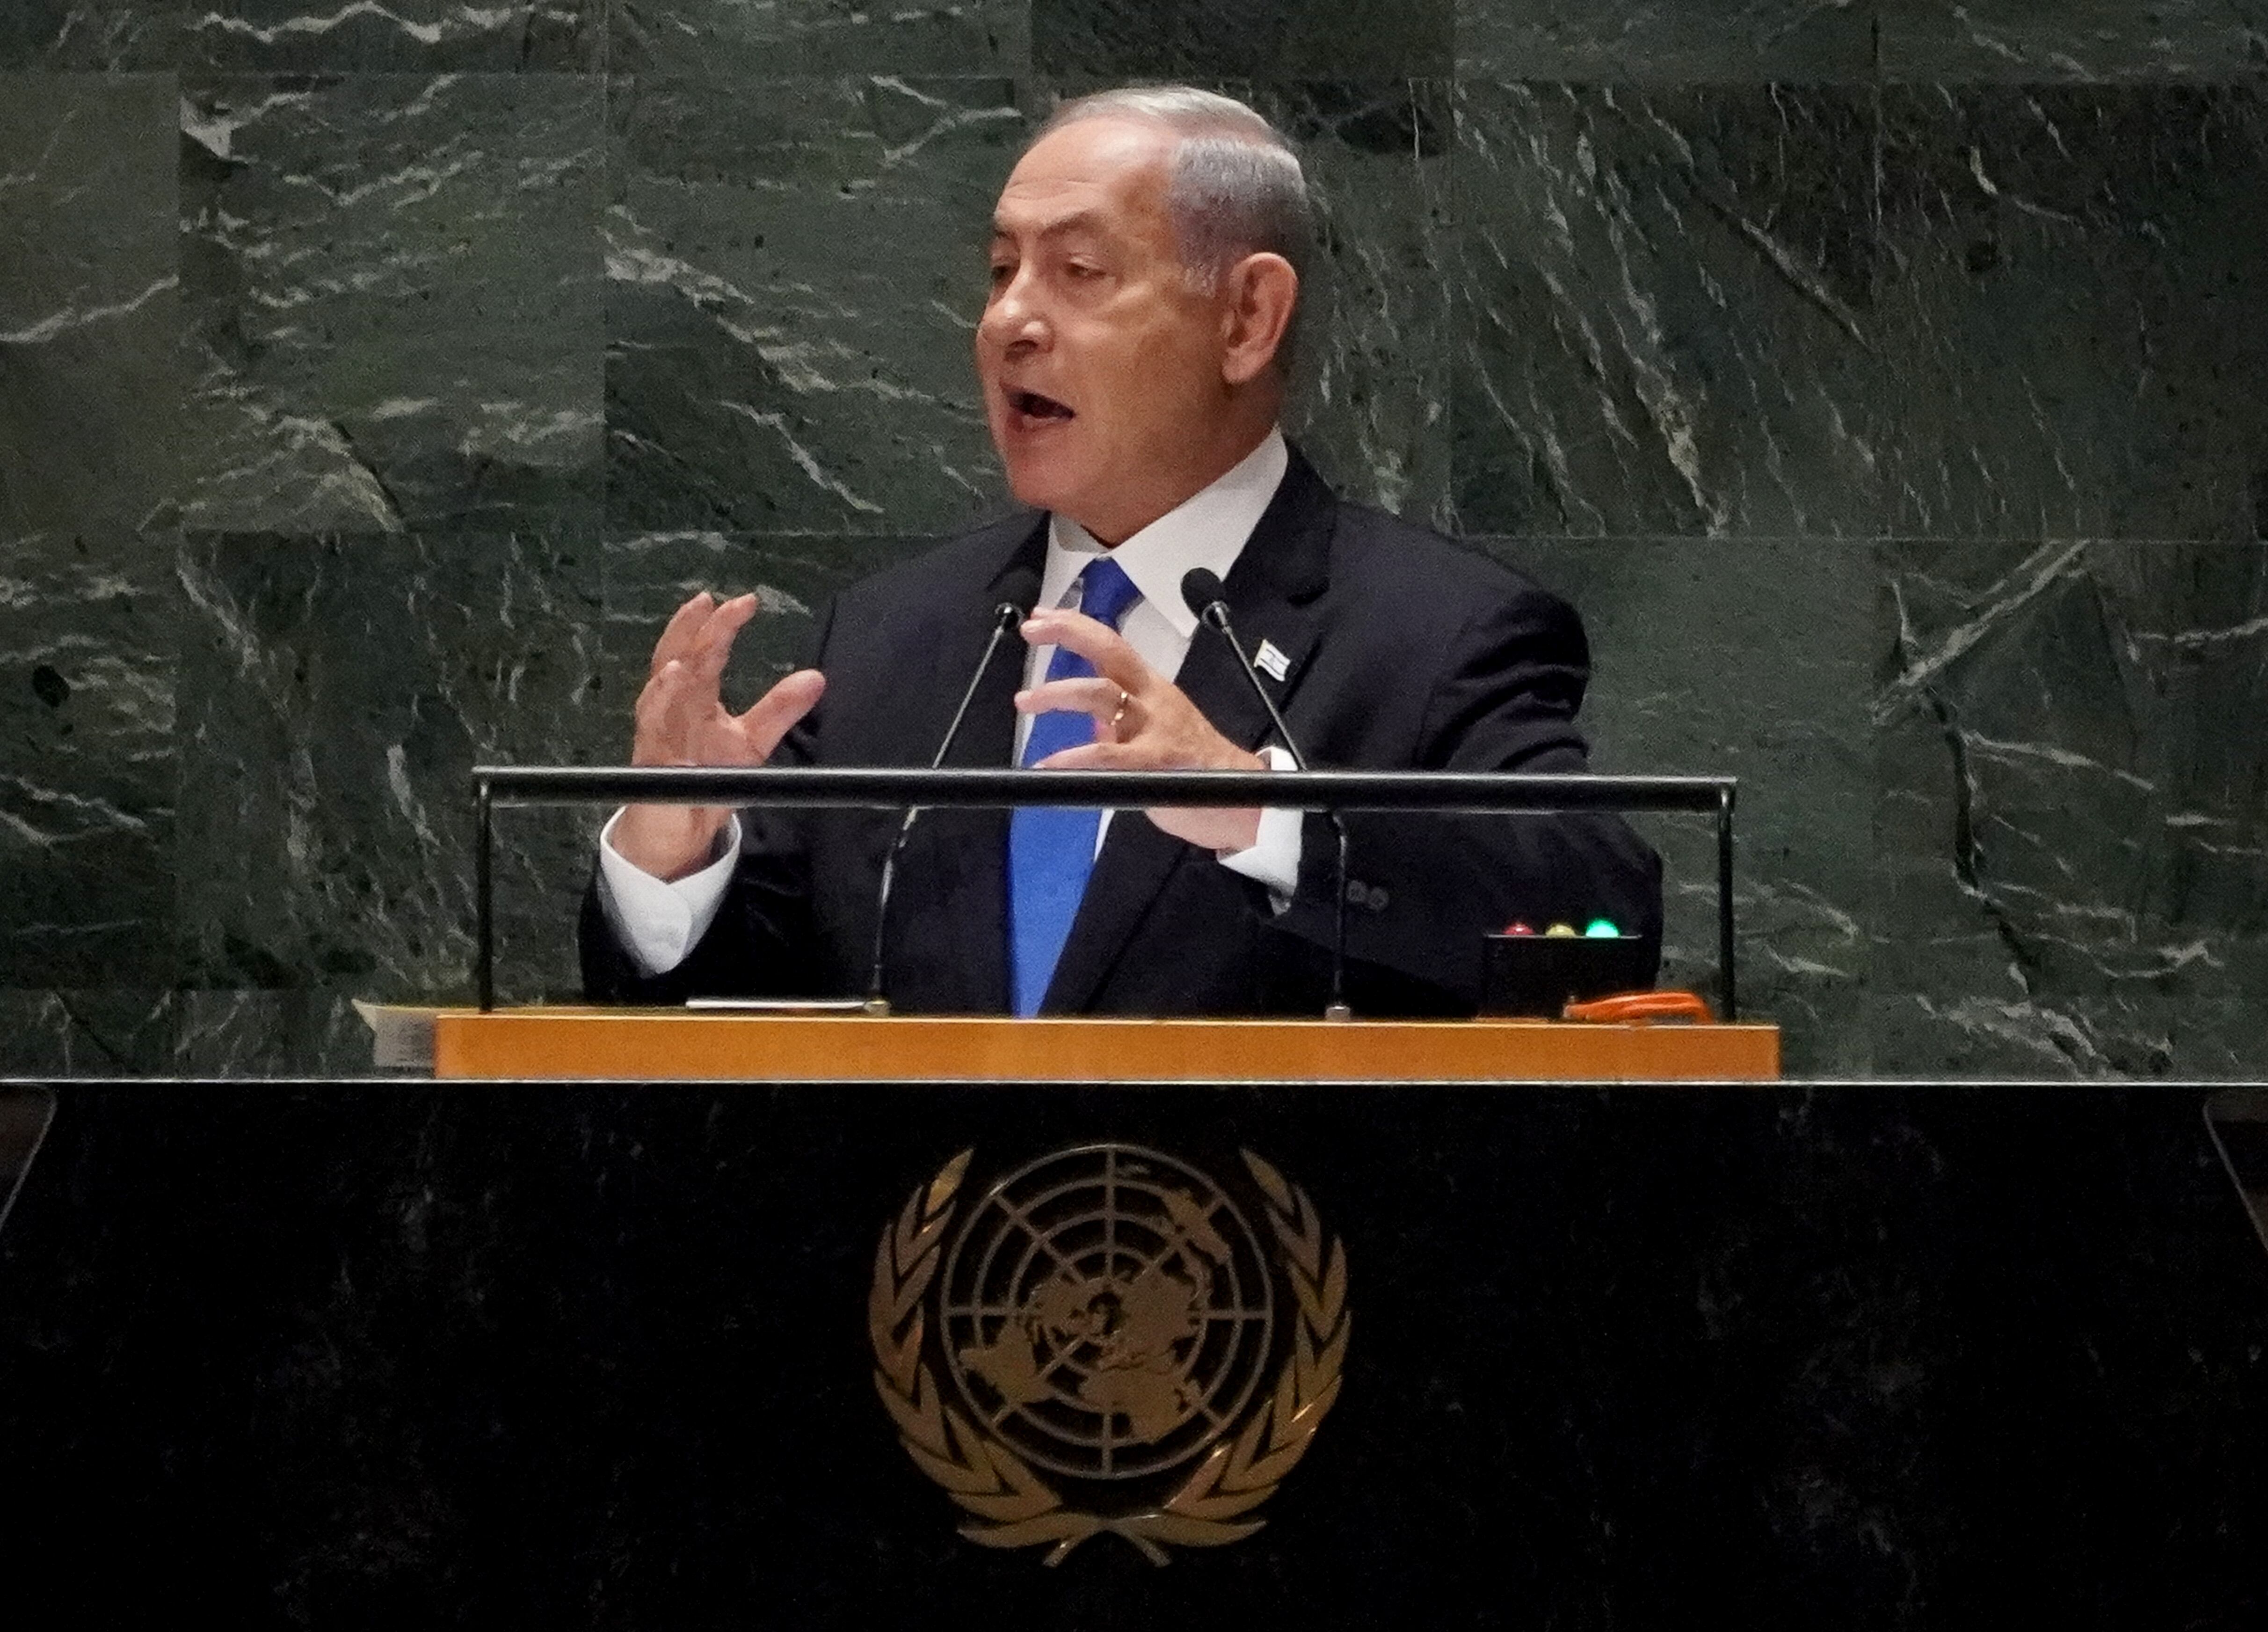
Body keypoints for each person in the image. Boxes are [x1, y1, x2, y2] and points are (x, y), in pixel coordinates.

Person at [581, 86, 1661, 1017]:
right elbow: (736, 1014)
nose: (1010, 321)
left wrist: (1261, 806)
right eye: (1001, 269)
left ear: (1247, 317)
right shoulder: (891, 640)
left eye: (1078, 271)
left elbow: (1603, 918)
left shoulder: (1437, 635)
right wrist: (673, 854)